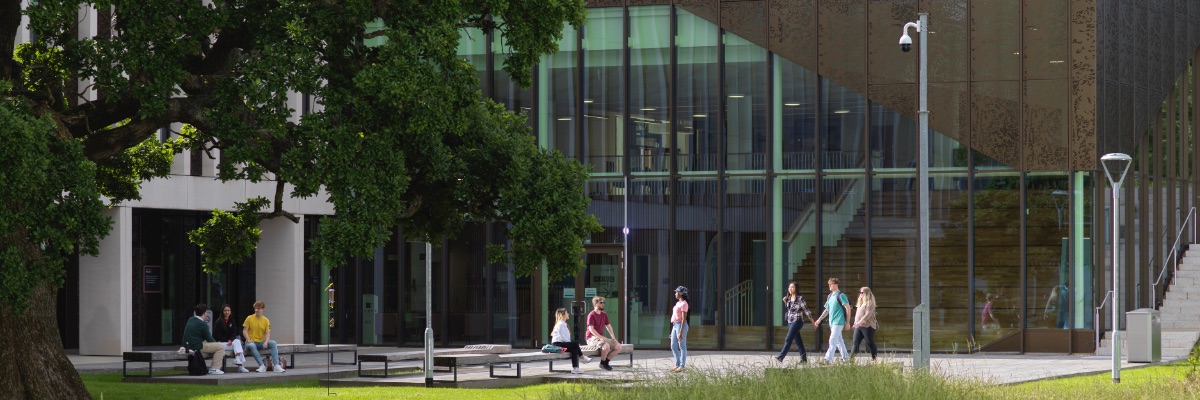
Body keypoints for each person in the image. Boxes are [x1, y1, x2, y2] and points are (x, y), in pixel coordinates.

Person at [776, 282, 816, 363]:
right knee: (798, 341)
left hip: (797, 321)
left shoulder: (800, 299)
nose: (790, 289)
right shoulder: (788, 298)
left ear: (796, 289)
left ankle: (781, 357)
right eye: (789, 287)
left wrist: (813, 322)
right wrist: (785, 302)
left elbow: (806, 311)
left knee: (788, 338)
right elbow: (790, 310)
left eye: (792, 287)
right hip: (790, 321)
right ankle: (804, 360)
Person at [813, 278, 852, 363]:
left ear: (836, 285)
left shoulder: (841, 295)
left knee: (832, 340)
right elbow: (827, 309)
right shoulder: (830, 296)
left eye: (831, 284)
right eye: (829, 284)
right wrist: (819, 320)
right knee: (839, 341)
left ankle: (827, 359)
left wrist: (848, 322)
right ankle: (846, 359)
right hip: (832, 322)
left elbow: (848, 308)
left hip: (839, 322)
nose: (829, 286)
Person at [182, 303, 225, 375]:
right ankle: (214, 368)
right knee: (221, 347)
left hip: (188, 346)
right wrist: (217, 343)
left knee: (214, 349)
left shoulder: (190, 319)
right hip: (197, 346)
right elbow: (209, 339)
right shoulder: (203, 324)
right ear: (204, 313)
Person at [243, 300, 285, 373]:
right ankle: (262, 366)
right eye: (255, 308)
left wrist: (266, 342)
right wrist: (248, 339)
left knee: (273, 343)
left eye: (258, 308)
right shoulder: (249, 318)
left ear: (263, 309)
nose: (256, 310)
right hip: (250, 343)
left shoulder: (266, 320)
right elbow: (244, 331)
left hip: (260, 343)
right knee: (252, 345)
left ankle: (276, 366)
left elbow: (268, 333)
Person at [585, 296, 621, 371]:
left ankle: (605, 363)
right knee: (606, 346)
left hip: (600, 338)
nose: (603, 304)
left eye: (603, 302)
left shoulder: (604, 314)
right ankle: (603, 363)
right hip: (591, 338)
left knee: (618, 346)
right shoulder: (591, 315)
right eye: (601, 303)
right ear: (595, 304)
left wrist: (613, 337)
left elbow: (609, 326)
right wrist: (600, 337)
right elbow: (591, 329)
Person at [551, 307, 591, 374]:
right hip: (558, 345)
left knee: (574, 350)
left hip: (562, 343)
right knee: (575, 344)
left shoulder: (563, 323)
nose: (568, 314)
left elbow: (566, 339)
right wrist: (571, 344)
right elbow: (564, 338)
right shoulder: (561, 324)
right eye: (567, 313)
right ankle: (583, 357)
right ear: (563, 315)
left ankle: (575, 369)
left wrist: (571, 345)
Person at [212, 304, 249, 372]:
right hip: (221, 344)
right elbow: (216, 334)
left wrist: (231, 340)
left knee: (237, 341)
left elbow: (234, 332)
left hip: (230, 342)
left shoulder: (232, 321)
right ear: (222, 312)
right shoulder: (218, 322)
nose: (227, 312)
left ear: (230, 311)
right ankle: (240, 366)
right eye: (225, 310)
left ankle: (237, 359)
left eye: (228, 310)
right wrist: (227, 340)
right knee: (238, 347)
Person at [851, 287, 879, 362]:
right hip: (859, 326)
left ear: (867, 293)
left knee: (870, 342)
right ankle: (850, 360)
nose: (860, 294)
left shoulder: (870, 303)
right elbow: (858, 315)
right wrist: (856, 324)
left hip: (868, 326)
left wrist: (858, 323)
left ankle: (875, 360)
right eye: (860, 292)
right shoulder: (860, 303)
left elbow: (867, 315)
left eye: (862, 292)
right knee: (855, 343)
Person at [669, 286, 690, 372]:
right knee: (673, 346)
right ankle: (677, 364)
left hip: (681, 326)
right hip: (675, 325)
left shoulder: (684, 304)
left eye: (676, 292)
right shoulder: (678, 303)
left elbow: (683, 319)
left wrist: (680, 332)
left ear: (680, 294)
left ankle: (682, 365)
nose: (675, 294)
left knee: (682, 346)